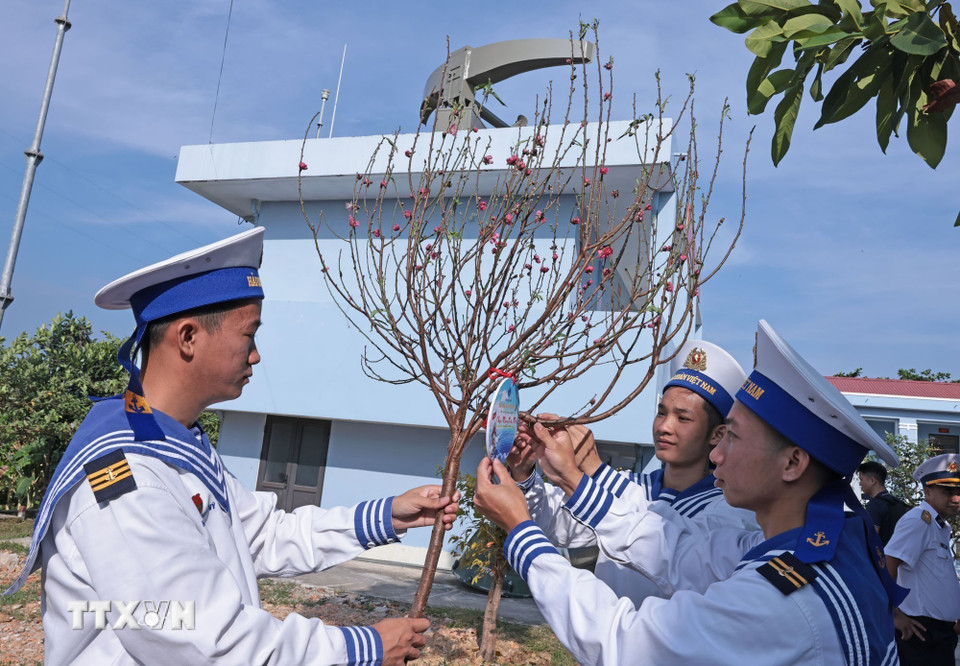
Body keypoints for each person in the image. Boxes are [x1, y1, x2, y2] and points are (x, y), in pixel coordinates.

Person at [6, 227, 458, 665]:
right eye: (248, 335)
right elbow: (208, 640)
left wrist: (385, 516)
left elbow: (262, 535)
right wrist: (361, 646)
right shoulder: (130, 479)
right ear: (188, 338)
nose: (256, 354)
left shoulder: (177, 447)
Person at [475, 320, 906, 665]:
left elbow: (626, 643)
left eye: (731, 438)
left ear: (793, 463)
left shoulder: (780, 599)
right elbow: (680, 551)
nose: (717, 454)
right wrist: (571, 477)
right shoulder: (809, 542)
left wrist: (520, 531)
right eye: (663, 413)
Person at [507, 339, 756, 604]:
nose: (664, 427)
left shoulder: (730, 511)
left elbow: (665, 536)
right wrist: (524, 472)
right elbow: (556, 525)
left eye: (683, 418)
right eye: (661, 413)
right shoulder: (629, 483)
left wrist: (595, 470)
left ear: (717, 435)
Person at [884, 453, 960, 665]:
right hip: (921, 633)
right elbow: (888, 563)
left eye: (959, 491)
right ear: (927, 491)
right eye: (947, 491)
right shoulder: (918, 520)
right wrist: (894, 614)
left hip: (939, 634)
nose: (956, 498)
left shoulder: (939, 526)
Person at [858, 459, 909, 544]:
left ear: (872, 480)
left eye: (861, 479)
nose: (860, 484)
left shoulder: (874, 505)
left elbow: (871, 540)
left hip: (882, 555)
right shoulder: (896, 502)